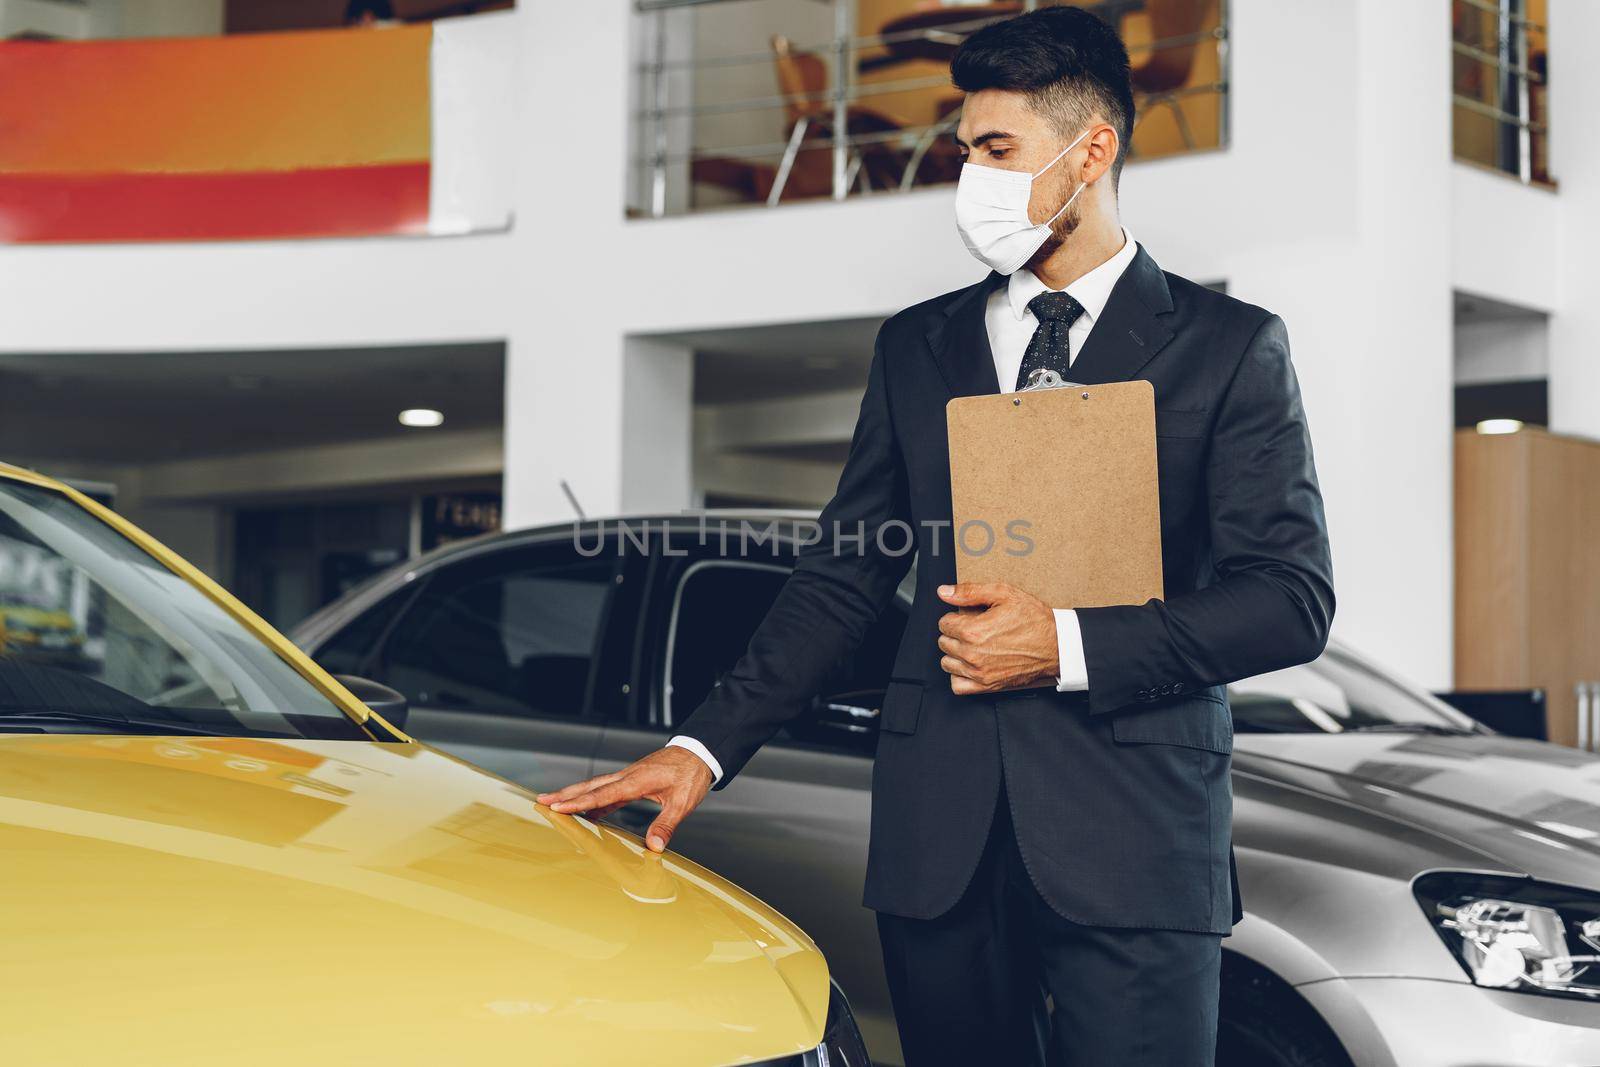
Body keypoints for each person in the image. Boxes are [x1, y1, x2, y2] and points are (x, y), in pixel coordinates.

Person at [539, 7, 1334, 1065]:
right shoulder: (919, 344)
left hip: (1135, 836)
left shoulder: (1229, 348)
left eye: (997, 150)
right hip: (940, 838)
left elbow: (1288, 596)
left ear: (1090, 150)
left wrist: (1065, 644)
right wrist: (702, 748)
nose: (972, 176)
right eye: (966, 151)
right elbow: (842, 578)